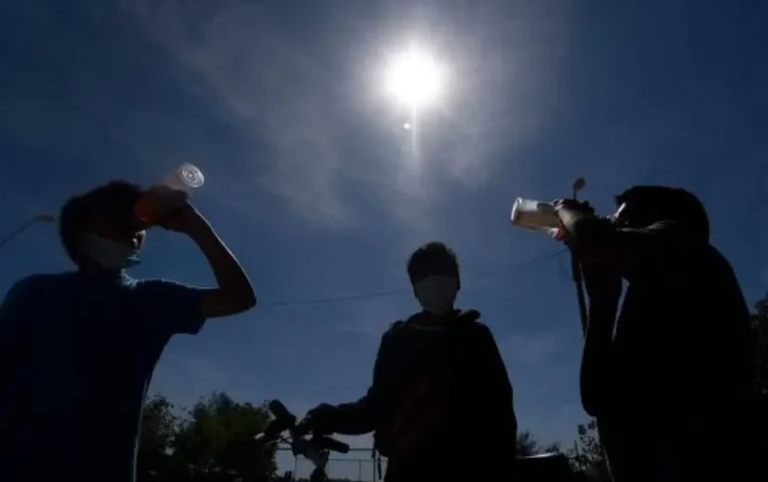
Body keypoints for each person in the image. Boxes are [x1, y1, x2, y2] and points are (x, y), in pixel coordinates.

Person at [0, 180, 257, 482]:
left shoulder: (151, 300)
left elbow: (239, 298)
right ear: (83, 230)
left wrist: (196, 227)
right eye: (117, 217)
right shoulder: (35, 292)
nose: (134, 233)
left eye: (137, 224)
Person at [555, 185, 760, 481]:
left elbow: (595, 240)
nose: (613, 222)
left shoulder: (684, 245)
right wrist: (603, 302)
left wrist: (565, 209)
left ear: (659, 220)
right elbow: (597, 399)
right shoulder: (647, 294)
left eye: (623, 217)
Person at [304, 241, 517, 482]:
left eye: (442, 272)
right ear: (415, 289)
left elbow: (501, 417)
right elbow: (375, 407)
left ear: (457, 282)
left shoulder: (476, 337)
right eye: (425, 274)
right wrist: (324, 417)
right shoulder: (397, 340)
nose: (435, 280)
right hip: (406, 472)